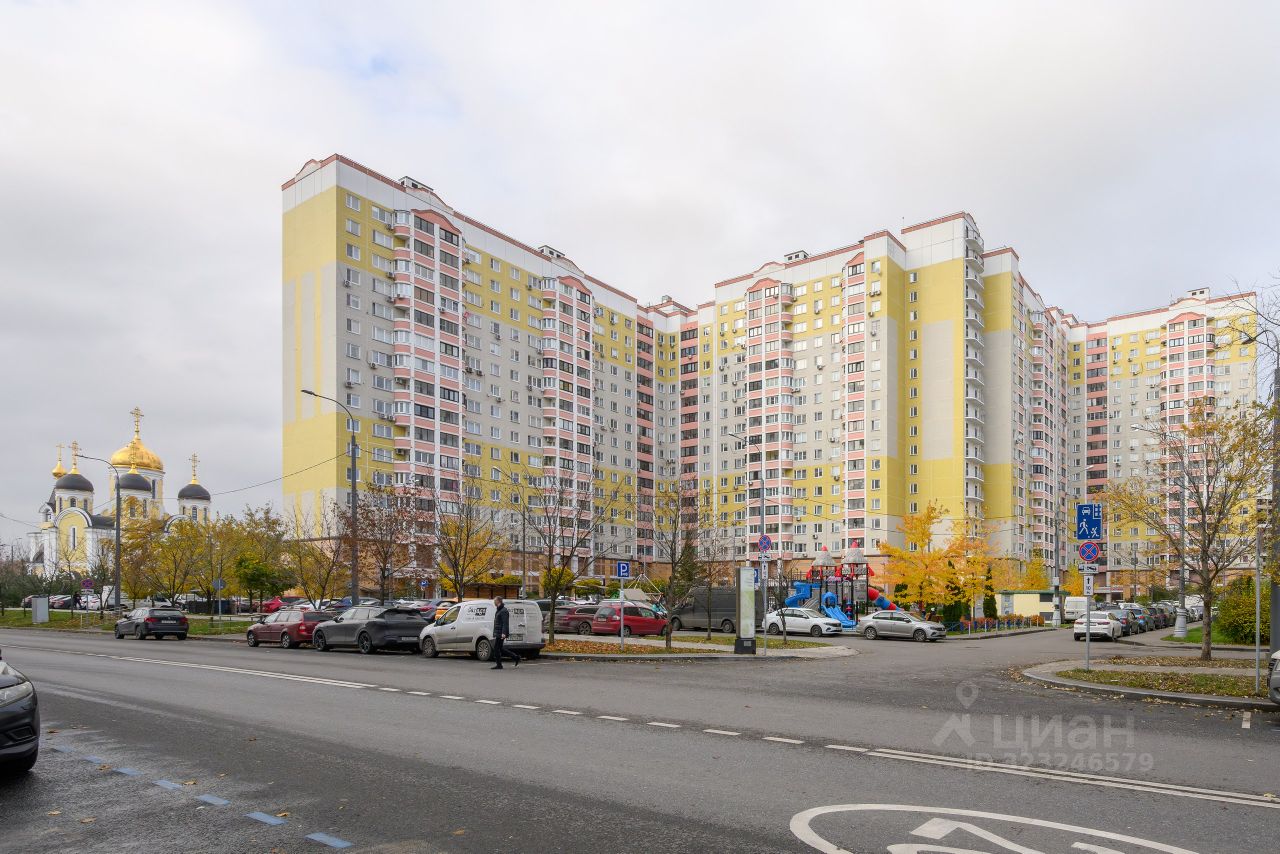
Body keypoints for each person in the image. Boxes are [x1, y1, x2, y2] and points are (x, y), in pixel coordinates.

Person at [490, 596, 521, 669]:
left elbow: (505, 623)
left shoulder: (503, 611)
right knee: (500, 648)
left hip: (501, 633)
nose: (494, 602)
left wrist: (503, 633)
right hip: (499, 632)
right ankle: (516, 657)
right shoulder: (499, 610)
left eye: (495, 601)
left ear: (498, 601)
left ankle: (499, 665)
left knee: (496, 648)